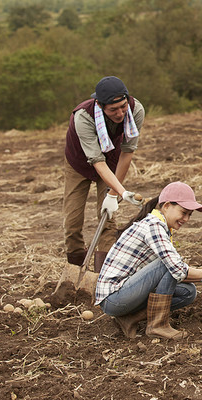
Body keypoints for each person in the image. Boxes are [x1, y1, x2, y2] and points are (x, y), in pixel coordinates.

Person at [95, 181, 202, 340]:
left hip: (127, 292)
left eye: (189, 215)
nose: (186, 219)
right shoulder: (154, 226)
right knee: (167, 264)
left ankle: (130, 319)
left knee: (188, 293)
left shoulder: (160, 226)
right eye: (183, 212)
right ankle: (157, 326)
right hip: (114, 298)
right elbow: (176, 269)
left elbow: (176, 271)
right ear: (166, 206)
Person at [63, 76, 145, 273]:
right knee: (73, 222)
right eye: (113, 110)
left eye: (123, 106)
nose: (120, 113)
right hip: (80, 163)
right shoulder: (83, 117)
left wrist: (114, 194)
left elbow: (127, 152)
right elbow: (96, 162)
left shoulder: (136, 110)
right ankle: (76, 270)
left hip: (111, 161)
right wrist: (122, 191)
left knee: (107, 218)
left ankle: (104, 275)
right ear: (100, 105)